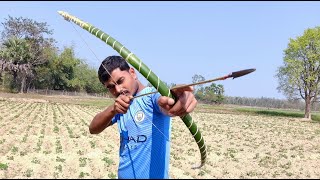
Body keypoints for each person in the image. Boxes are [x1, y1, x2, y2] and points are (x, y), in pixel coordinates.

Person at [89, 55, 197, 179]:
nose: (118, 89)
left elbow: (163, 102)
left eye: (120, 81)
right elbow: (93, 129)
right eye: (111, 87)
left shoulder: (151, 97)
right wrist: (113, 110)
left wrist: (177, 98)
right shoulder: (120, 106)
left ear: (133, 73)